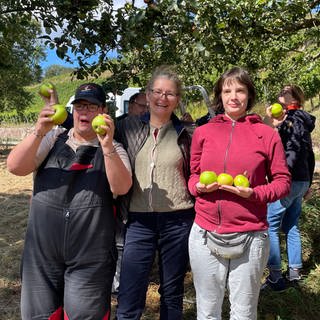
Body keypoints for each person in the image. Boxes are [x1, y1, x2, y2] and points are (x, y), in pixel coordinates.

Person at [6, 83, 132, 319]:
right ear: (72, 111)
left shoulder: (114, 148)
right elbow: (15, 167)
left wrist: (106, 146)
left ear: (103, 111)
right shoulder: (53, 137)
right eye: (79, 106)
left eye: (91, 106)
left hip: (91, 256)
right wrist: (39, 130)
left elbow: (122, 186)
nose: (84, 112)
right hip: (42, 252)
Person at [188, 66, 291, 320]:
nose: (233, 96)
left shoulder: (266, 135)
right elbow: (192, 176)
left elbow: (282, 182)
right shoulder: (203, 132)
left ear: (249, 95)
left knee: (244, 313)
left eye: (240, 90)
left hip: (251, 235)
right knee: (207, 311)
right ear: (219, 96)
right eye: (227, 90)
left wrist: (253, 194)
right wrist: (197, 188)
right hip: (205, 233)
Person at [114, 65, 195, 320]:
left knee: (172, 291)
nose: (163, 98)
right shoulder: (126, 128)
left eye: (170, 93)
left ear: (178, 99)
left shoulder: (186, 133)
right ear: (147, 96)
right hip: (138, 221)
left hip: (178, 220)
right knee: (130, 291)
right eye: (157, 92)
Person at [262, 84, 316, 291]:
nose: (280, 93)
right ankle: (294, 272)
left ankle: (276, 277)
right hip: (300, 181)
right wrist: (307, 182)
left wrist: (281, 179)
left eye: (285, 92)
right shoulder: (302, 119)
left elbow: (288, 152)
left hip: (289, 180)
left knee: (270, 225)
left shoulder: (290, 120)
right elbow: (309, 154)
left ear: (295, 99)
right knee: (291, 226)